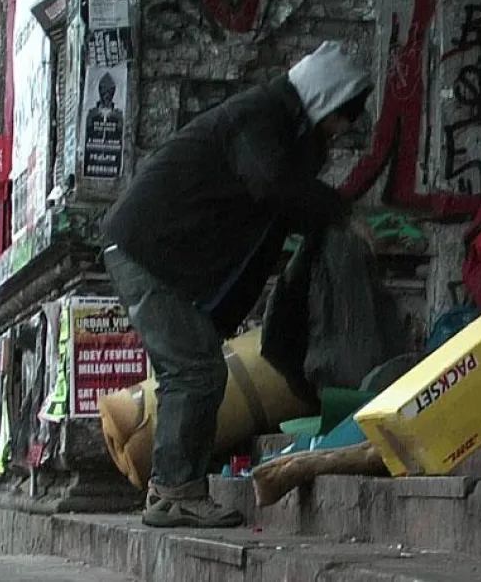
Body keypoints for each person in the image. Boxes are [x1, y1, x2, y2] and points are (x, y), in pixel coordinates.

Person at [102, 41, 373, 528]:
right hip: (147, 251)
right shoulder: (261, 117)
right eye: (344, 116)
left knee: (191, 372)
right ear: (326, 101)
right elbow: (272, 185)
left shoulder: (283, 128)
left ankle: (169, 491)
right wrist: (341, 215)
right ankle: (177, 493)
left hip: (156, 253)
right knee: (196, 372)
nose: (343, 130)